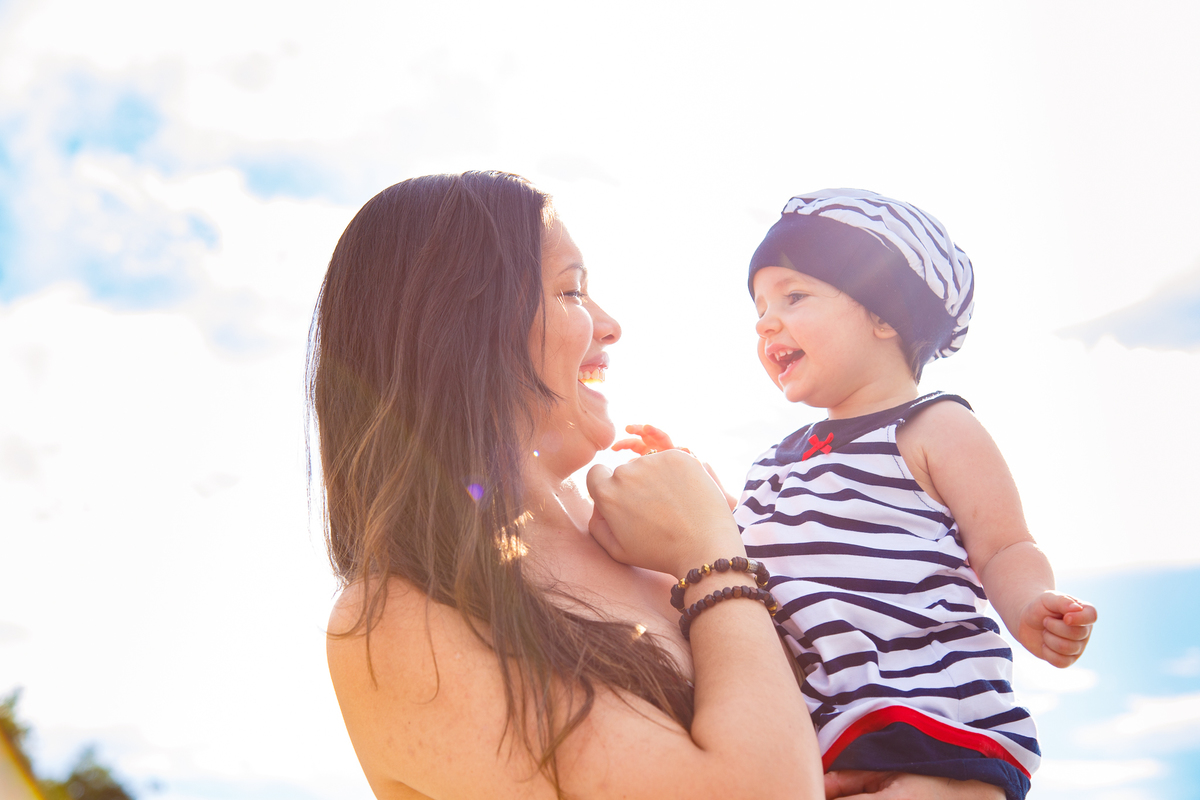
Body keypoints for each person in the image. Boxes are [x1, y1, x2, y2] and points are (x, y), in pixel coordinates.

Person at [615, 189, 1097, 800]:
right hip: (819, 732)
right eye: (759, 307)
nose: (765, 322)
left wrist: (1030, 603)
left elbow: (1002, 545)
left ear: (884, 313)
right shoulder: (781, 458)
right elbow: (755, 550)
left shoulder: (932, 426)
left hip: (930, 724)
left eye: (793, 296)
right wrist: (694, 488)